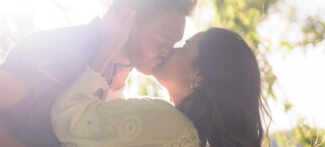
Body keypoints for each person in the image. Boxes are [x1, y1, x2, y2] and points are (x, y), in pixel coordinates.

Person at [0, 0, 197, 147]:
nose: (168, 52)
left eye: (174, 45)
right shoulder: (64, 50)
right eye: (163, 41)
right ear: (129, 15)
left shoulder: (120, 72)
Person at [51, 26, 268, 147]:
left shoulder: (166, 122)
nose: (170, 49)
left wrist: (108, 47)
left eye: (184, 46)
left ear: (198, 73)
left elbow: (70, 117)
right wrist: (126, 66)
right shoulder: (187, 138)